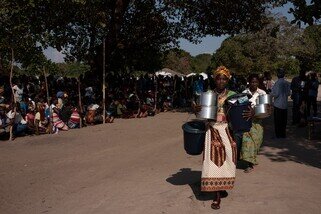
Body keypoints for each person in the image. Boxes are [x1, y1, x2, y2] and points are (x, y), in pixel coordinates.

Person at [192, 66, 252, 210]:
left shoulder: (233, 94)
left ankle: (222, 185)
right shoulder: (207, 94)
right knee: (214, 160)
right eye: (218, 78)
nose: (221, 81)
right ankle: (217, 195)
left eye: (224, 78)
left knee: (230, 158)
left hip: (227, 129)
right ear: (214, 79)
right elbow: (197, 108)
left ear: (227, 80)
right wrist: (195, 109)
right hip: (211, 129)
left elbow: (247, 106)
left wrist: (251, 112)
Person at [241, 74, 268, 173]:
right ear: (249, 82)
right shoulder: (244, 93)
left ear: (258, 83)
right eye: (252, 82)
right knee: (248, 142)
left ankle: (253, 158)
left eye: (256, 82)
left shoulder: (262, 93)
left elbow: (266, 108)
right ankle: (249, 163)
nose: (254, 84)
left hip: (258, 121)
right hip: (247, 121)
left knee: (257, 141)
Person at [271, 68, 291, 138]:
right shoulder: (287, 83)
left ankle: (278, 135)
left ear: (277, 74)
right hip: (284, 105)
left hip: (278, 105)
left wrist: (271, 94)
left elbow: (275, 94)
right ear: (284, 75)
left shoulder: (277, 83)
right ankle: (283, 134)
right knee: (283, 121)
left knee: (278, 121)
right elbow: (289, 93)